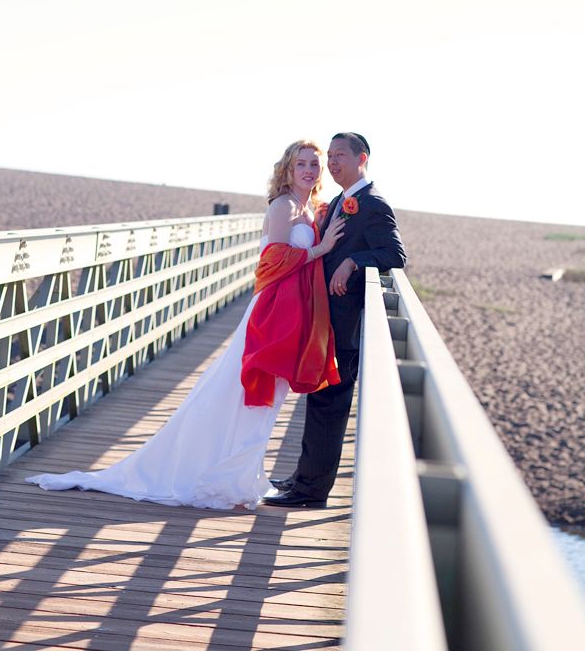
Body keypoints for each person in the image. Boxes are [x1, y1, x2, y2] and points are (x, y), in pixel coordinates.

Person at [25, 140, 344, 510]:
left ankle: (239, 472)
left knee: (264, 399)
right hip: (270, 313)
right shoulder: (283, 206)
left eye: (314, 165)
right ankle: (212, 472)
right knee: (238, 392)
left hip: (291, 314)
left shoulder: (308, 208)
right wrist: (320, 250)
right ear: (287, 169)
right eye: (301, 163)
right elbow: (272, 260)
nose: (308, 170)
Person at [264, 132, 407, 509]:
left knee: (330, 401)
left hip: (345, 323)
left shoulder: (372, 203)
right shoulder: (345, 201)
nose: (331, 162)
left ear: (363, 159)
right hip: (324, 319)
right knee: (319, 397)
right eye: (330, 155)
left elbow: (394, 253)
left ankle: (311, 491)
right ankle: (303, 477)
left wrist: (352, 261)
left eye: (339, 155)